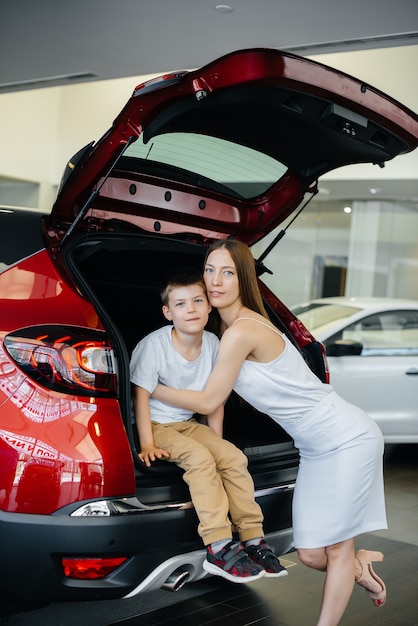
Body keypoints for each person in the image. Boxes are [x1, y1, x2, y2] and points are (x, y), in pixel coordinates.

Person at [152, 242, 388, 626]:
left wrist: (145, 387)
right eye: (210, 270)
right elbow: (217, 403)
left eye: (227, 272)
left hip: (347, 439)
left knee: (338, 549)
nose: (215, 281)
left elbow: (211, 398)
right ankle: (360, 569)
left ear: (243, 278)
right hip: (313, 449)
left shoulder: (242, 330)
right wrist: (218, 443)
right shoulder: (223, 331)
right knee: (311, 554)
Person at [130, 267, 287, 584]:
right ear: (167, 312)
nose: (190, 309)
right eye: (181, 304)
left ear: (208, 306)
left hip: (189, 424)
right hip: (158, 424)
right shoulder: (154, 346)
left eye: (197, 301)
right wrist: (147, 443)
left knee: (233, 457)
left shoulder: (214, 343)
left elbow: (215, 399)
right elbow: (141, 397)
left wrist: (218, 443)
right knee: (200, 460)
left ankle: (253, 538)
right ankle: (217, 545)